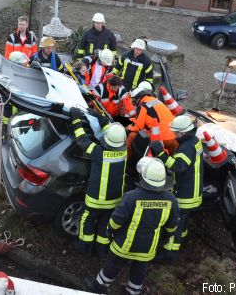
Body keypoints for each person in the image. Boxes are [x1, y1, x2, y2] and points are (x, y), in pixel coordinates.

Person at [85, 158, 178, 295]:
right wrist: (163, 239)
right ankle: (132, 292)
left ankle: (98, 287)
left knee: (113, 265)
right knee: (139, 270)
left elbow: (116, 220)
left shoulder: (132, 196)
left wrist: (110, 232)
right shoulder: (171, 200)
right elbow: (172, 226)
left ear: (143, 177)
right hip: (148, 246)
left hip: (124, 244)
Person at [70, 107, 127, 257]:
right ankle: (101, 251)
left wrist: (76, 119)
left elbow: (82, 140)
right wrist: (97, 115)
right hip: (114, 199)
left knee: (87, 221)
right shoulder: (124, 151)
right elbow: (110, 130)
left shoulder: (98, 152)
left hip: (96, 199)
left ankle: (84, 248)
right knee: (105, 224)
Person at [149, 115, 203, 262]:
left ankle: (169, 254)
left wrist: (160, 154)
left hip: (185, 193)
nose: (174, 135)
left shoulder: (187, 147)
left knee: (176, 223)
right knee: (183, 220)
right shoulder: (194, 141)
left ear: (183, 133)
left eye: (176, 133)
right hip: (193, 190)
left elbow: (179, 167)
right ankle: (181, 240)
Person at [126, 81, 177, 165]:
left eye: (132, 98)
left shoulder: (143, 106)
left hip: (162, 138)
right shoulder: (156, 101)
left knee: (132, 136)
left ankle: (125, 161)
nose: (132, 100)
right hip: (174, 138)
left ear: (137, 98)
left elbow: (138, 127)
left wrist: (128, 128)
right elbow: (155, 117)